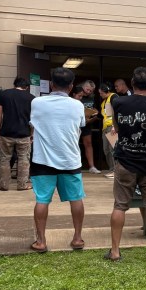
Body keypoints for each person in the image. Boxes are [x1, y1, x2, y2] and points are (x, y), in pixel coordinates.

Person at [105, 67, 146, 261]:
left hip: (125, 160)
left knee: (120, 205)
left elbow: (116, 128)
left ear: (132, 84)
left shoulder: (118, 103)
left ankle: (115, 251)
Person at [28, 67, 86, 253]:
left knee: (42, 200)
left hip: (42, 160)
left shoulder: (37, 102)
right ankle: (77, 238)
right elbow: (80, 126)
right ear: (71, 86)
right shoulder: (78, 105)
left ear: (52, 84)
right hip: (70, 160)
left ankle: (41, 241)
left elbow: (33, 125)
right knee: (76, 198)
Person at [0, 76, 34, 191]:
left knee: (5, 158)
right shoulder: (31, 98)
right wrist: (32, 133)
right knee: (23, 158)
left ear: (14, 85)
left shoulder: (4, 95)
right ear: (27, 87)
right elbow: (33, 118)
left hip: (6, 133)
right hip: (24, 133)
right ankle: (22, 185)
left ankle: (3, 185)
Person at [78, 80, 101, 174]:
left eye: (91, 90)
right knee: (74, 144)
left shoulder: (92, 98)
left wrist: (95, 113)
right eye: (87, 89)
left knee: (88, 144)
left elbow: (95, 109)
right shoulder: (77, 95)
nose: (89, 92)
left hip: (87, 124)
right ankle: (75, 166)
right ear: (83, 87)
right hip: (76, 124)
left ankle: (92, 167)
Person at [98, 83, 116, 179]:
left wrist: (114, 126)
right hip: (105, 127)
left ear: (107, 91)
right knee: (106, 149)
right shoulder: (104, 101)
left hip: (111, 127)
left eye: (101, 93)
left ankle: (115, 171)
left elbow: (117, 111)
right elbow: (104, 115)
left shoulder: (113, 97)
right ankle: (112, 169)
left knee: (112, 149)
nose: (100, 95)